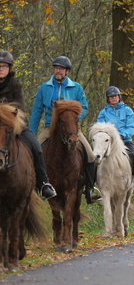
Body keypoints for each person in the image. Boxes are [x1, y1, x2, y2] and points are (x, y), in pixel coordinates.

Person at [29, 56, 100, 203]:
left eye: (61, 69)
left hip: (71, 129)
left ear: (67, 71)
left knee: (91, 156)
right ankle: (36, 187)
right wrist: (31, 132)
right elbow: (37, 111)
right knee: (32, 154)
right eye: (56, 68)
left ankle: (89, 188)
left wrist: (72, 120)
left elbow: (85, 107)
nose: (58, 71)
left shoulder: (77, 88)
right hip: (50, 128)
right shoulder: (45, 88)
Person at [0, 50, 57, 199]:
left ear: (9, 68)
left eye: (4, 66)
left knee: (35, 145)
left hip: (15, 125)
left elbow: (20, 108)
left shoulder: (15, 85)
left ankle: (44, 184)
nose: (1, 68)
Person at [96, 86, 134, 202]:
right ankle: (93, 187)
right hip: (107, 143)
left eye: (115, 96)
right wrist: (108, 137)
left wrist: (122, 135)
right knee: (94, 157)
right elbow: (100, 127)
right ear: (108, 99)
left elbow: (132, 126)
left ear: (119, 97)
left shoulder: (127, 110)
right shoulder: (103, 113)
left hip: (125, 141)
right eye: (111, 97)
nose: (113, 98)